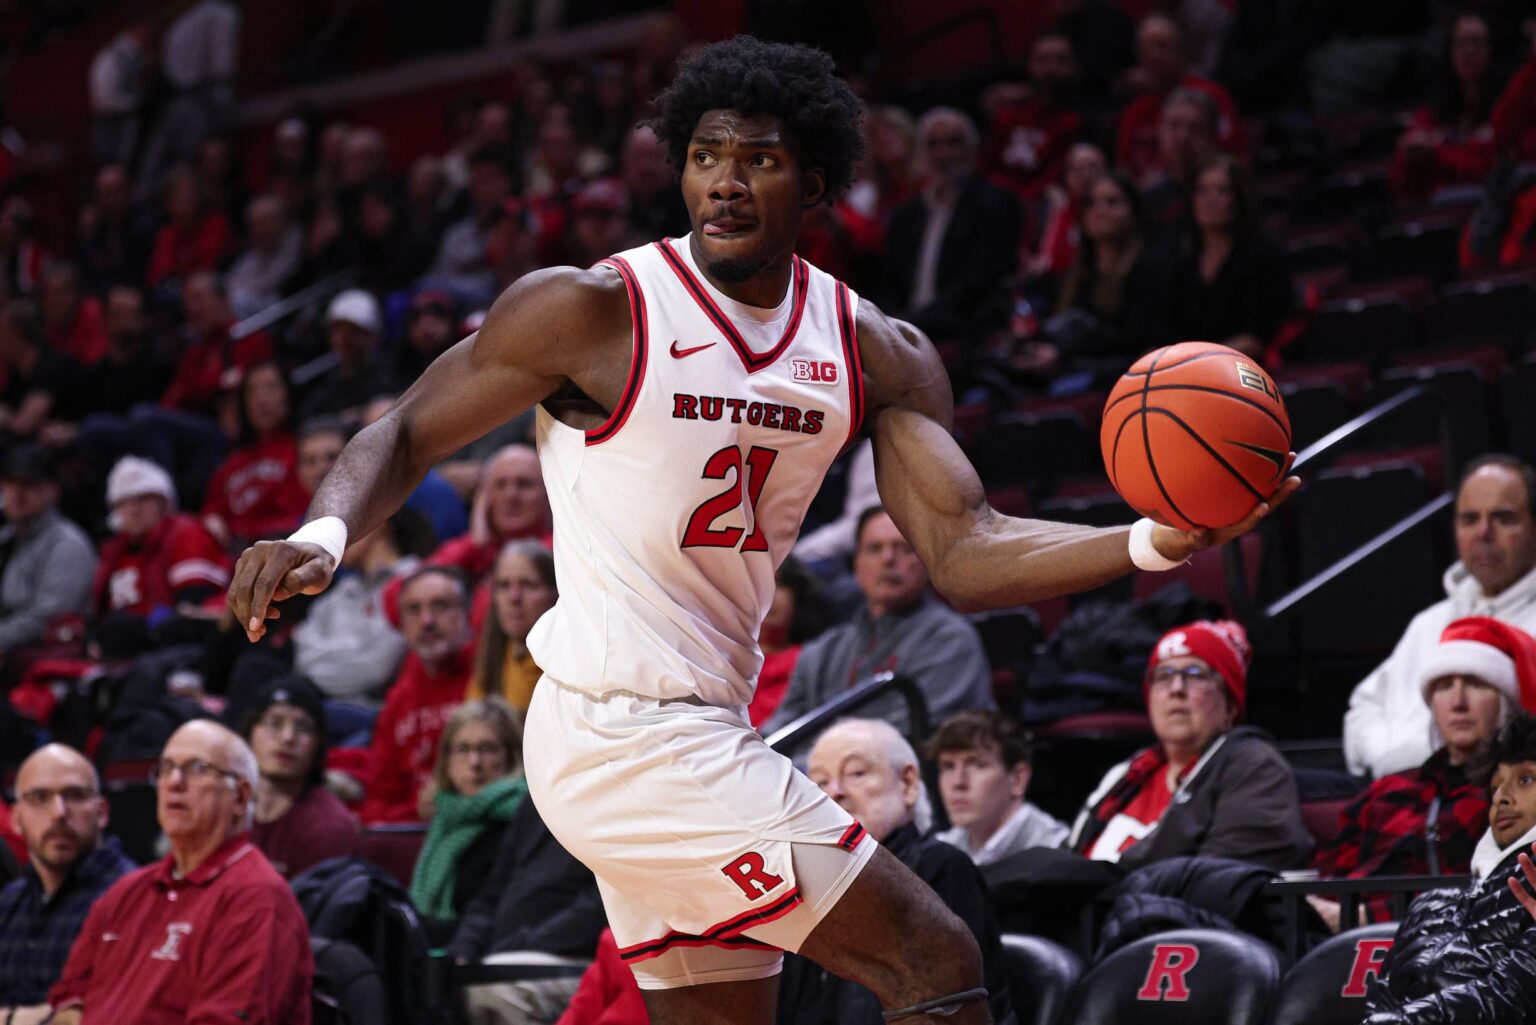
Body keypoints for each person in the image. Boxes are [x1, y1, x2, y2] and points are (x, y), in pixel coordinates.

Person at [229, 35, 1292, 1025]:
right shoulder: (593, 310)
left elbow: (964, 550)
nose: (726, 182)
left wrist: (1151, 540)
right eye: (705, 157)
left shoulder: (874, 350)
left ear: (815, 185)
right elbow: (406, 429)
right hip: (615, 727)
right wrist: (321, 536)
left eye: (760, 160)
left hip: (705, 724)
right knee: (937, 958)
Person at [46, 721, 312, 1024]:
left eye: (197, 768)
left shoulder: (256, 899)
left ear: (240, 797)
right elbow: (69, 998)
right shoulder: (124, 893)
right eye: (166, 768)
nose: (174, 782)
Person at [781, 719, 1014, 1024]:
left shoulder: (939, 868)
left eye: (856, 773)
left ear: (908, 783)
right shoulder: (807, 886)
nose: (834, 792)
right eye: (821, 783)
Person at [1314, 617, 1534, 929]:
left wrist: (1365, 917)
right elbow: (1325, 881)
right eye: (1444, 687)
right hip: (1336, 940)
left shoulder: (1517, 795)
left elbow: (1497, 892)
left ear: (1506, 701)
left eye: (1475, 684)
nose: (1458, 702)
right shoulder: (1389, 789)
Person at [1347, 455, 1536, 778]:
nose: (1484, 532)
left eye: (1503, 518)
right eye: (1469, 519)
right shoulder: (1429, 623)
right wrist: (1393, 759)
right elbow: (1364, 710)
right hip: (1401, 790)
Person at [1069, 620, 1313, 870]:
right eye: (1163, 676)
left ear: (1230, 705)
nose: (1176, 689)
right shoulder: (1127, 773)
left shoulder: (1255, 769)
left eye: (1195, 674)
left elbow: (1221, 878)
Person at [1363, 714, 1536, 1024]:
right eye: (1495, 786)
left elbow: (1512, 995)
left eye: (1526, 780)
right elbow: (1382, 1000)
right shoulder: (1430, 903)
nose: (1501, 798)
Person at [762, 507, 993, 737]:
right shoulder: (822, 651)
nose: (888, 559)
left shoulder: (950, 641)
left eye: (904, 548)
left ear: (928, 561)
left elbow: (914, 734)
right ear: (856, 564)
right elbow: (776, 733)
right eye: (874, 549)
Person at [0, 746, 134, 1020]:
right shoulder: (8, 901)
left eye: (75, 795)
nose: (59, 812)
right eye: (40, 797)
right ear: (16, 819)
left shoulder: (133, 896)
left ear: (102, 812)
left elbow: (111, 1012)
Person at [882, 107, 1023, 339]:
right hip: (906, 331)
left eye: (953, 142)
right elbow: (890, 282)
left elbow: (979, 284)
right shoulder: (906, 215)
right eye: (933, 144)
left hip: (966, 333)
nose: (943, 154)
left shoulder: (996, 204)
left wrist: (910, 322)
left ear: (972, 150)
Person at [360, 566, 476, 824]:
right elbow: (379, 795)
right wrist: (414, 813)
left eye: (440, 606)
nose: (427, 621)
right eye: (414, 610)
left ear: (466, 612)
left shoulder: (488, 677)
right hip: (411, 830)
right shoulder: (399, 698)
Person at [411, 699, 527, 934]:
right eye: (463, 749)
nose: (474, 763)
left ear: (511, 756)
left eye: (488, 749)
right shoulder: (444, 818)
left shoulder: (522, 821)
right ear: (447, 760)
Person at [293, 508, 431, 705]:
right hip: (322, 705)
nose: (333, 541)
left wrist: (327, 657)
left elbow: (378, 668)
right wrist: (355, 651)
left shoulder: (417, 583)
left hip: (380, 708)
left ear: (378, 522)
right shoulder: (340, 592)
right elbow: (302, 655)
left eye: (343, 528)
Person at [1165, 155, 1294, 361]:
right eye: (1202, 191)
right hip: (1189, 367)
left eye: (1222, 190)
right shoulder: (1179, 260)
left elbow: (1257, 337)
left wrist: (1199, 363)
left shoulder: (1263, 255)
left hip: (1247, 368)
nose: (1211, 199)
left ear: (1239, 198)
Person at [238, 675, 360, 880]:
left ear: (318, 746)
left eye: (303, 728)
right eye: (275, 723)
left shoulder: (329, 828)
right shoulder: (225, 806)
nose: (288, 737)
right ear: (250, 733)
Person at [93, 456, 231, 625]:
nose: (133, 510)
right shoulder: (113, 552)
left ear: (164, 502)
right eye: (123, 503)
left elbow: (195, 607)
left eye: (142, 499)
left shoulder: (185, 535)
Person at [1114, 13, 1241, 185]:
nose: (1155, 55)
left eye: (1163, 46)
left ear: (1182, 53)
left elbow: (1233, 159)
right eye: (1147, 48)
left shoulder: (1212, 96)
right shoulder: (1134, 113)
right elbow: (1124, 174)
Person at [930, 710, 1068, 866]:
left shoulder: (1058, 851)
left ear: (1017, 779)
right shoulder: (941, 851)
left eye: (977, 765)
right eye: (948, 766)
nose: (958, 782)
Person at [1389, 13, 1499, 203]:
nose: (1469, 50)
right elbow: (1399, 184)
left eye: (1477, 42)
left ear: (1491, 50)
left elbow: (1490, 169)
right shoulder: (1432, 112)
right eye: (1461, 43)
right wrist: (1409, 158)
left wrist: (1436, 155)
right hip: (1440, 211)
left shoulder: (1507, 108)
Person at [0, 445, 97, 657]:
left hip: (46, 655)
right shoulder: (7, 538)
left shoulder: (67, 544)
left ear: (52, 491)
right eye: (9, 483)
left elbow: (48, 619)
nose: (16, 494)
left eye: (29, 485)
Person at [200, 361, 310, 547]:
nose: (261, 399)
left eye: (271, 387)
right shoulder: (233, 464)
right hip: (238, 551)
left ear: (288, 393)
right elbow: (211, 513)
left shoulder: (305, 449)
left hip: (290, 543)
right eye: (252, 391)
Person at [468, 540, 557, 712]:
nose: (514, 597)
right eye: (504, 585)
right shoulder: (487, 664)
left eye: (528, 585)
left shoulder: (572, 668)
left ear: (554, 592)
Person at [298, 289, 397, 425]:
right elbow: (308, 419)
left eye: (353, 331)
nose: (343, 340)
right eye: (337, 330)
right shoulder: (330, 384)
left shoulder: (392, 373)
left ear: (372, 335)